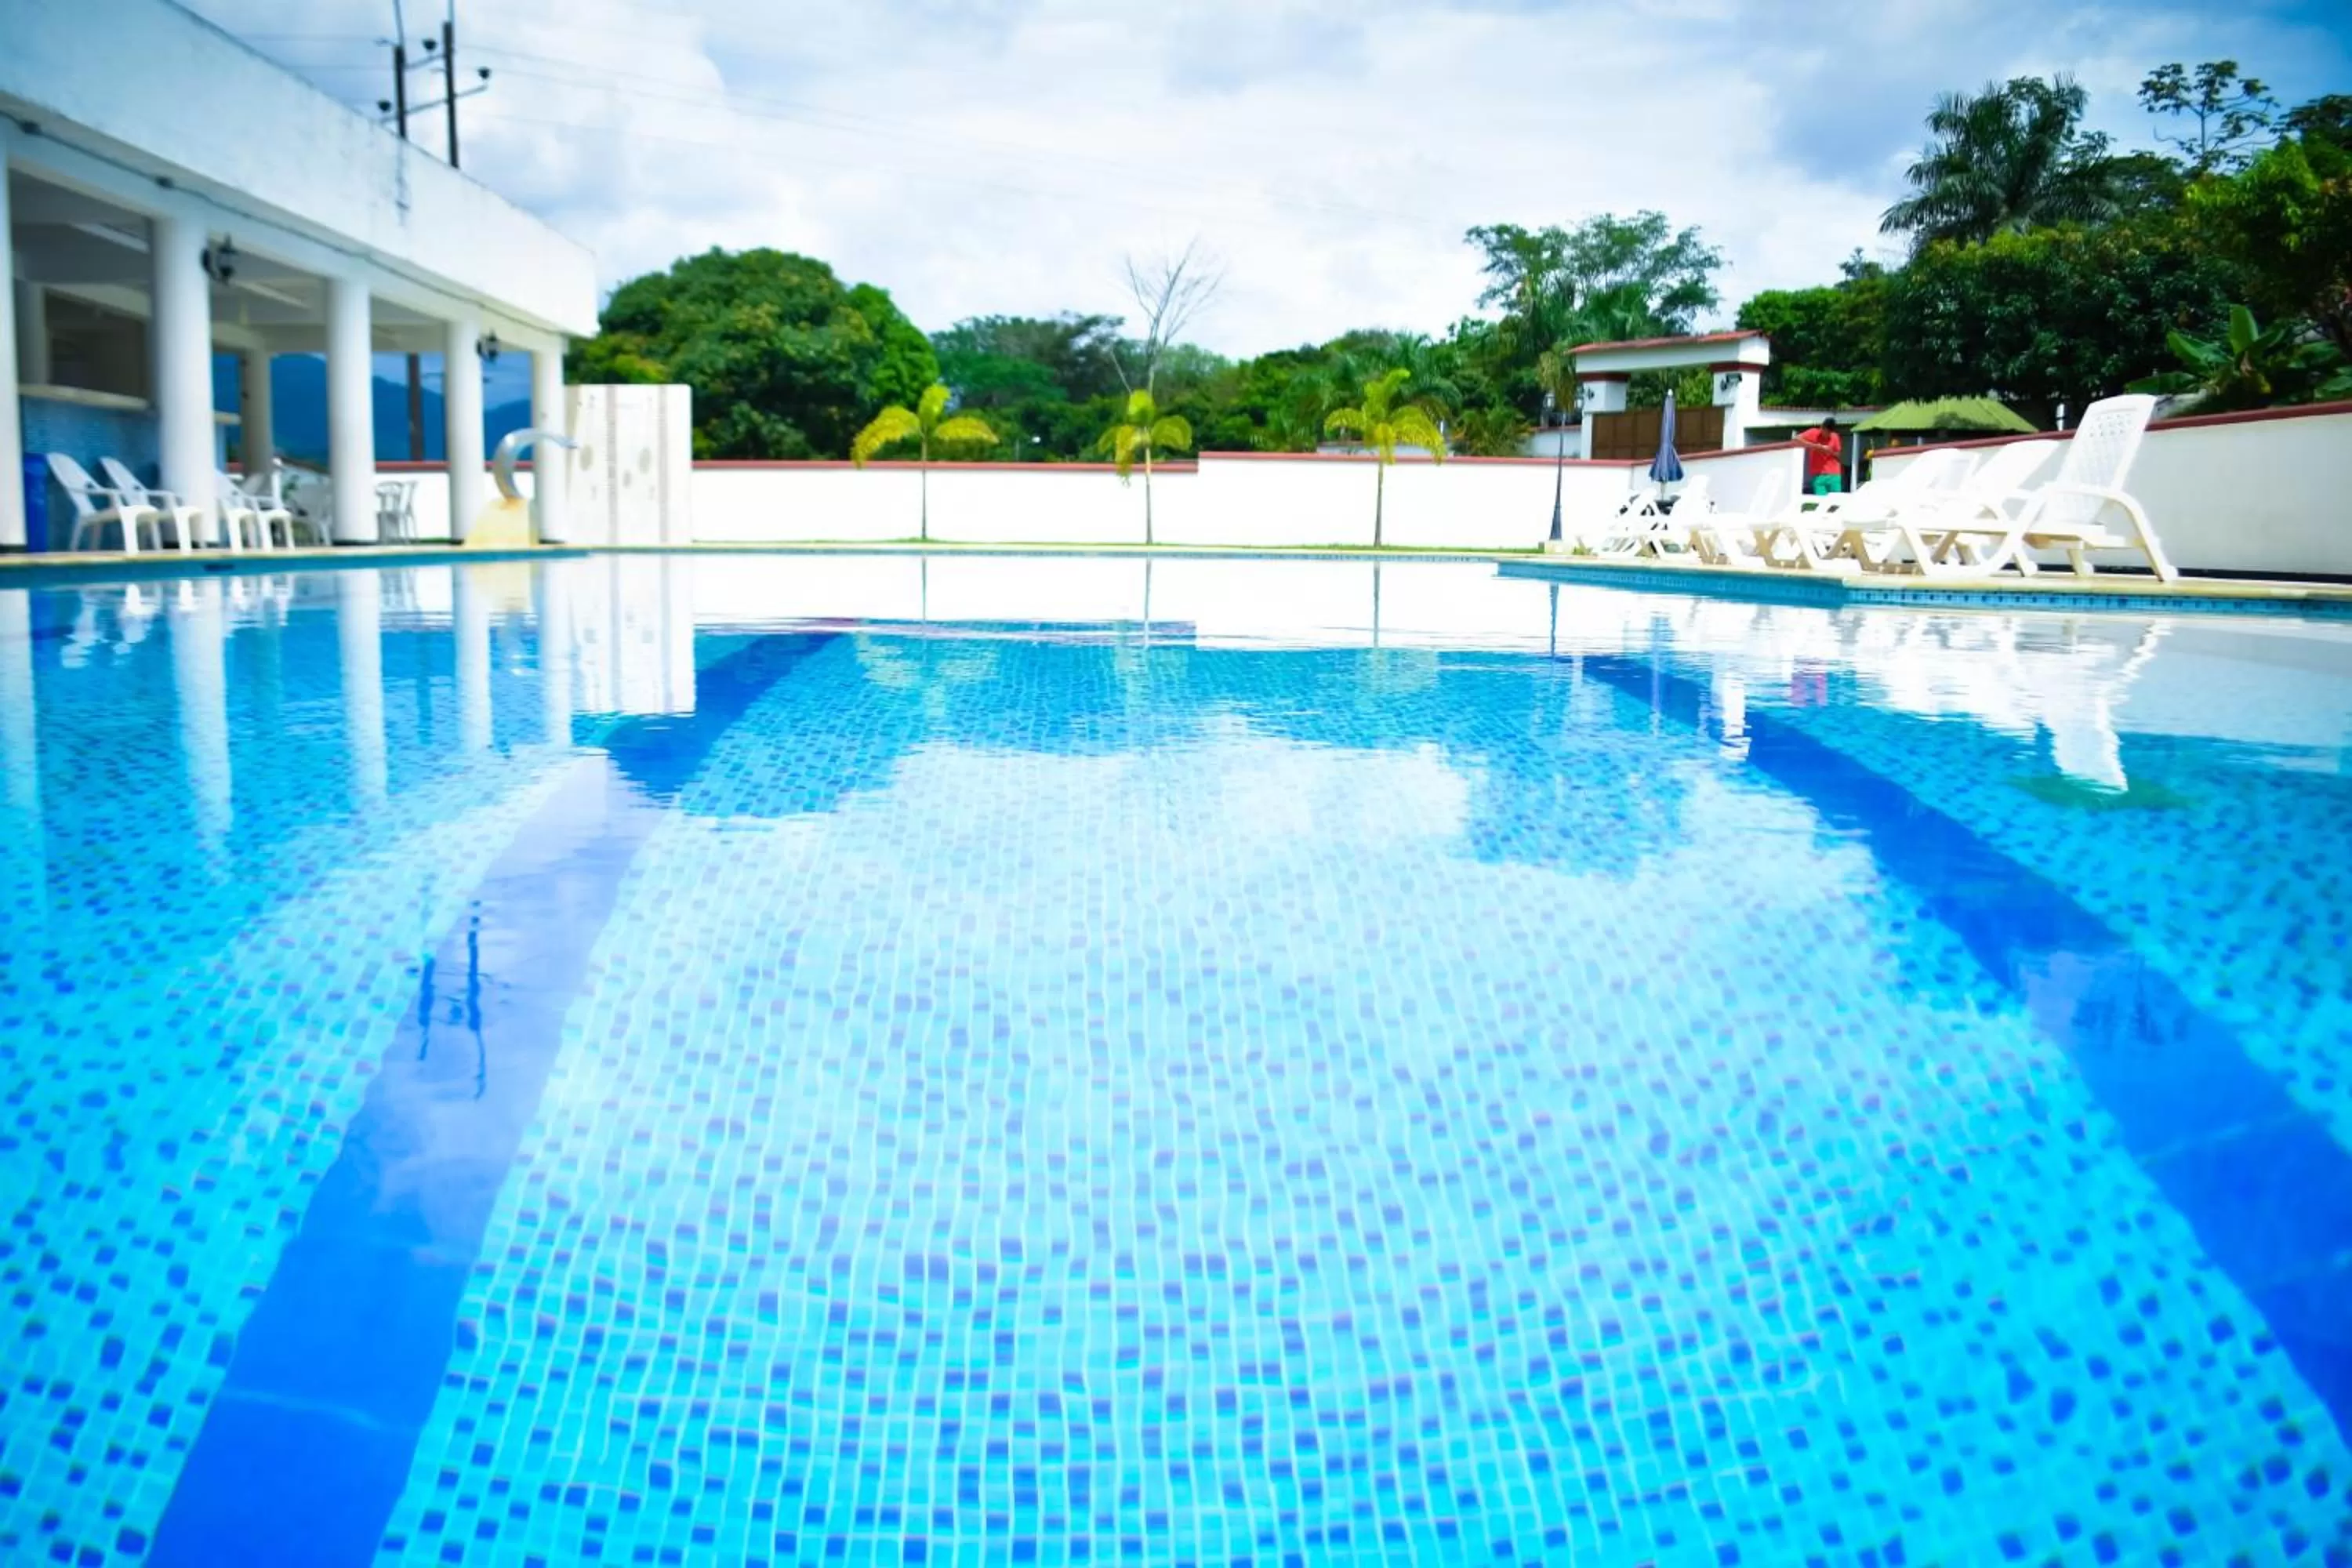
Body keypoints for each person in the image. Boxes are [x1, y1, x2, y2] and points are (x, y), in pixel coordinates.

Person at [1798, 416, 1844, 496]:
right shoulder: (1812, 433)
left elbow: (1838, 454)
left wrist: (1830, 451)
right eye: (1826, 432)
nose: (1827, 435)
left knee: (1836, 502)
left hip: (1834, 474)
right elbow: (1796, 439)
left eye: (1830, 433)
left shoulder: (1835, 436)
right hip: (1818, 475)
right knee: (1821, 502)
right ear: (1822, 427)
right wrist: (1815, 446)